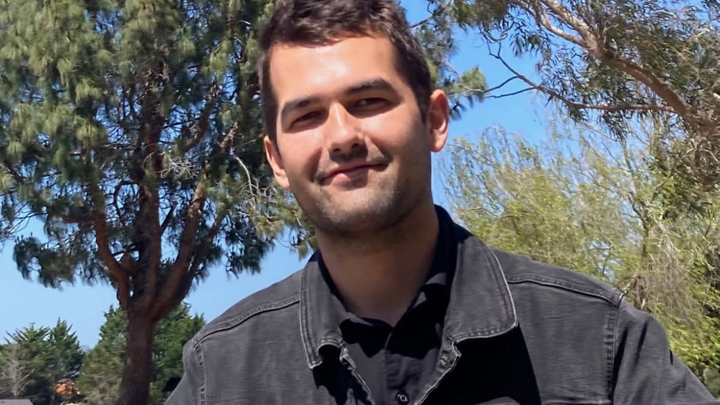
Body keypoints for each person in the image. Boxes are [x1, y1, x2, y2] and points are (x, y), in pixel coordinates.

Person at [166, 0, 718, 404]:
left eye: (369, 100)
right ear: (277, 160)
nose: (342, 136)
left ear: (434, 120)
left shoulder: (600, 340)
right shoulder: (219, 374)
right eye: (307, 115)